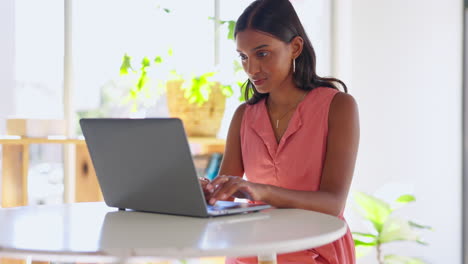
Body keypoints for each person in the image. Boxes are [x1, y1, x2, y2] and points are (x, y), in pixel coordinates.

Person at [200, 0, 359, 263]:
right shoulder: (244, 115)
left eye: (262, 54)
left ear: (295, 47)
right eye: (243, 57)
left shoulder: (338, 107)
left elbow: (333, 205)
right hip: (251, 251)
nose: (251, 69)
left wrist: (260, 191)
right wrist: (209, 191)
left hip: (315, 250)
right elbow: (226, 191)